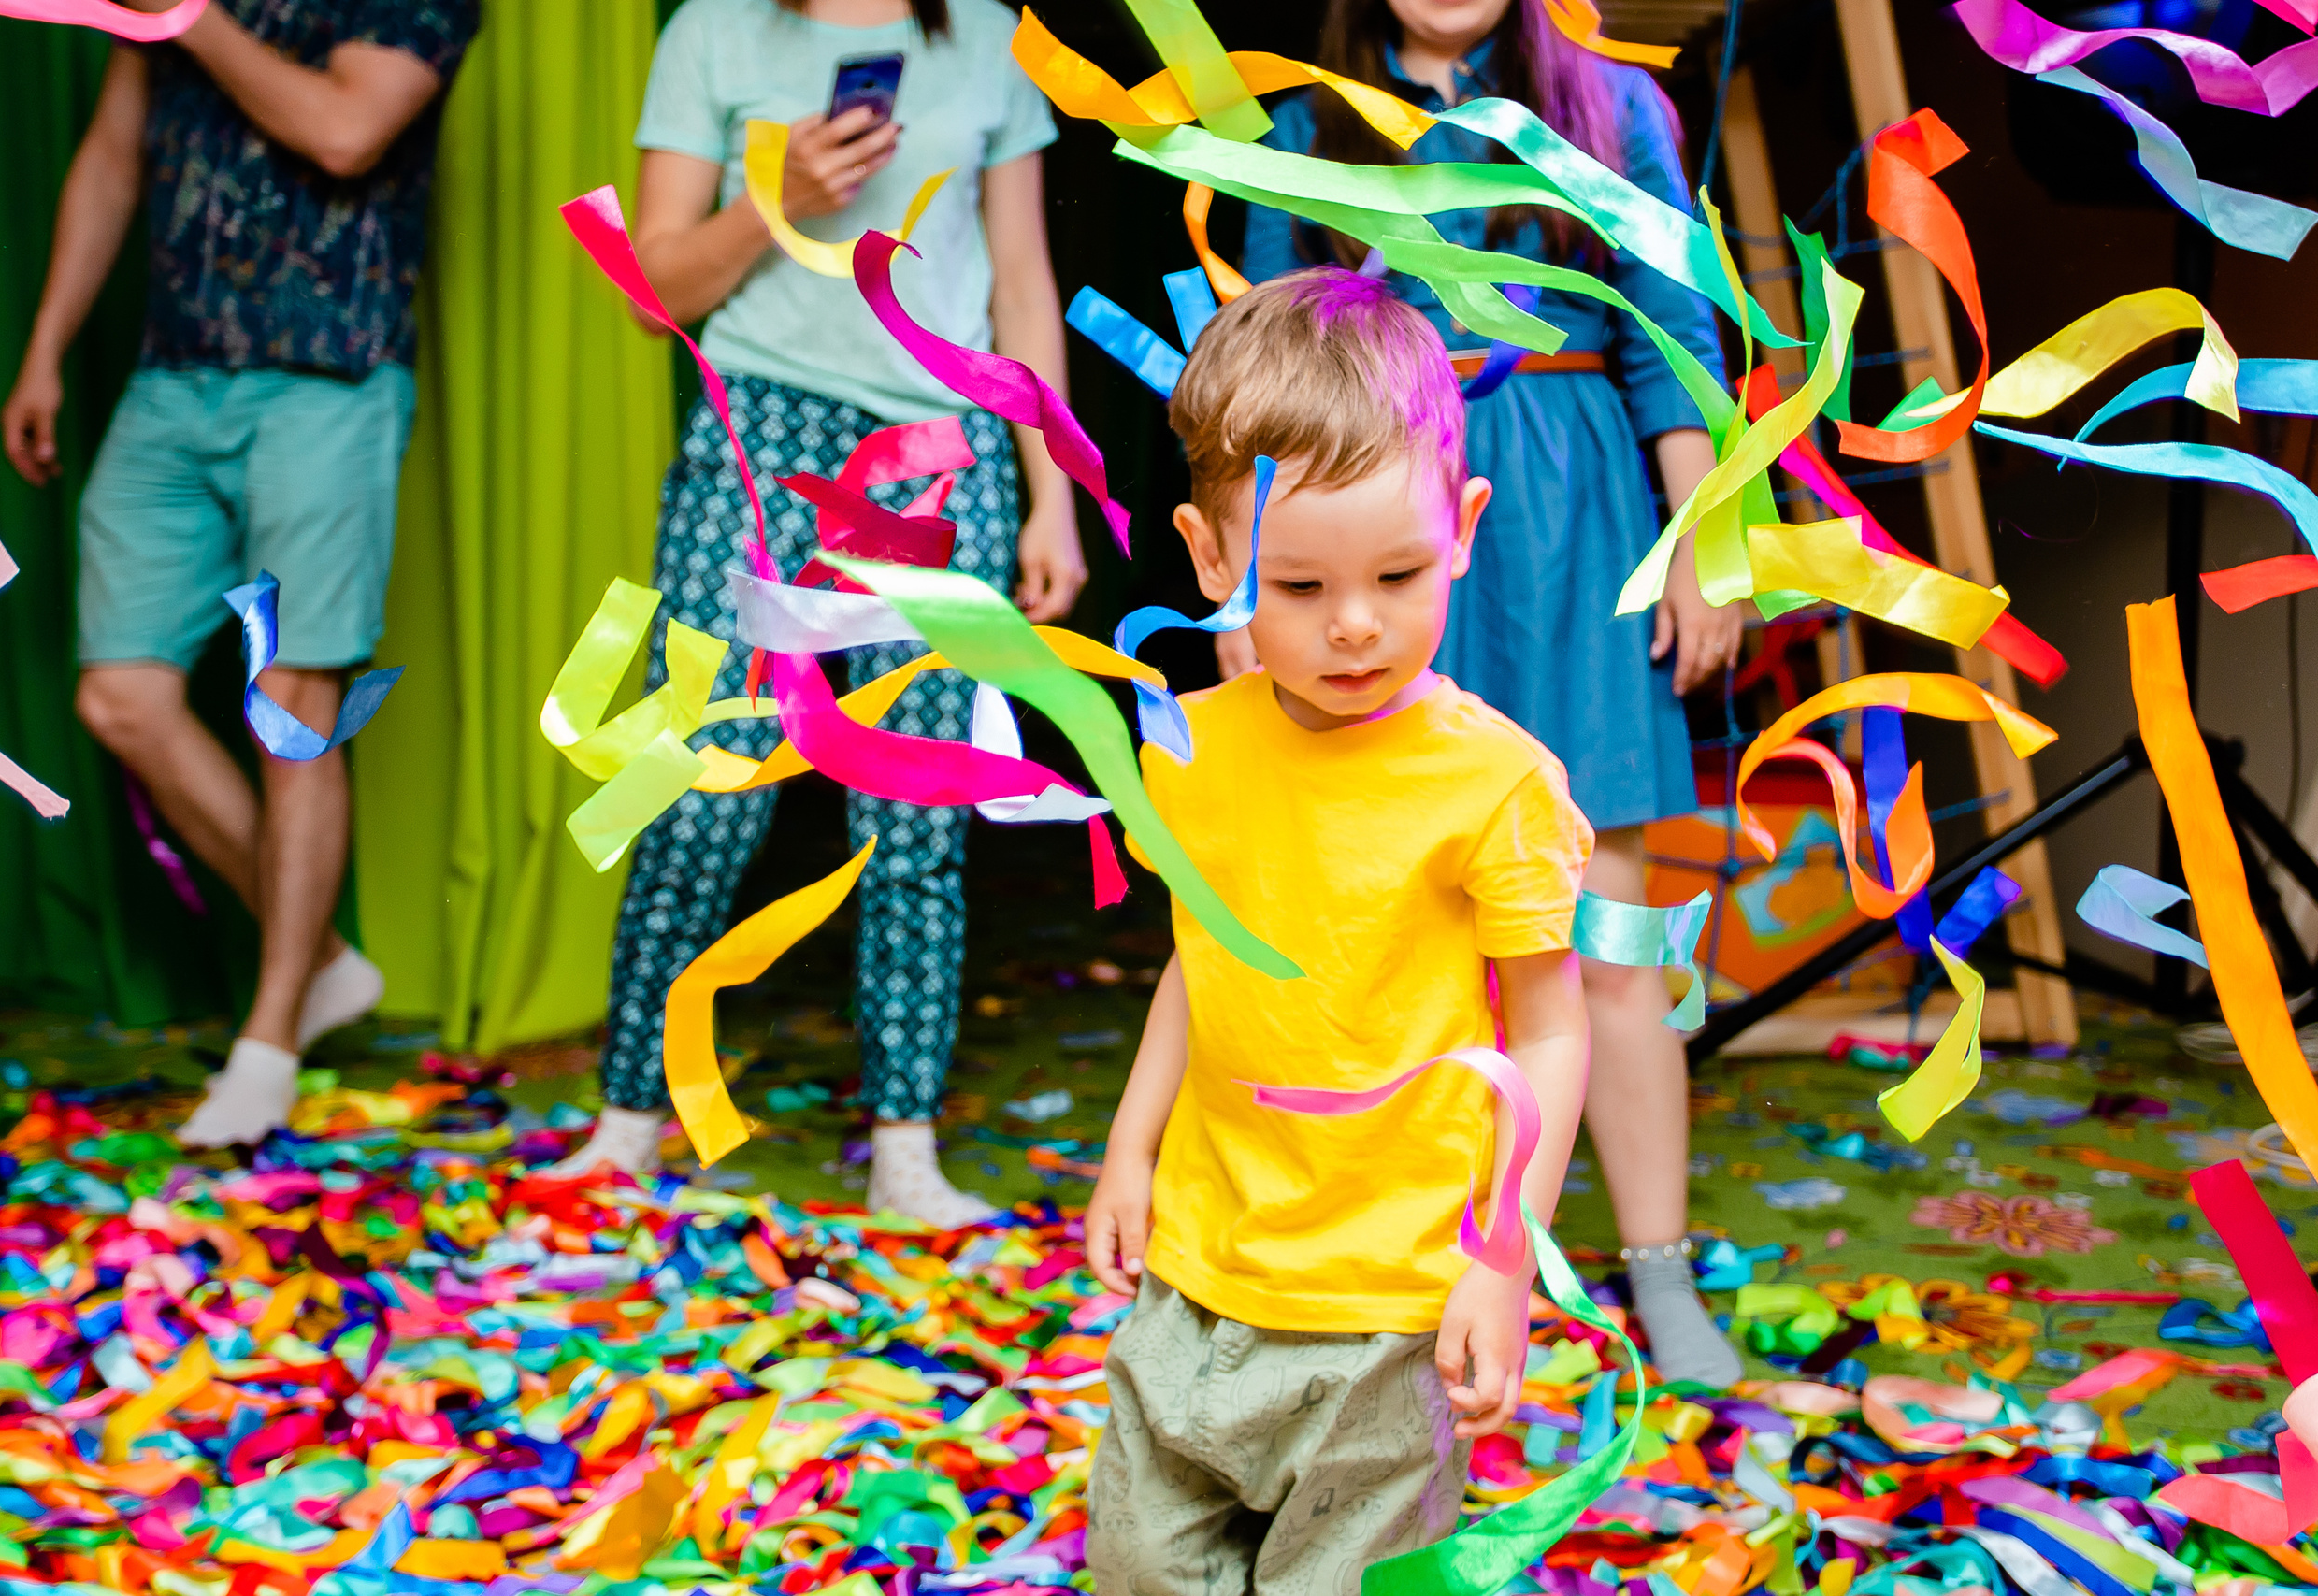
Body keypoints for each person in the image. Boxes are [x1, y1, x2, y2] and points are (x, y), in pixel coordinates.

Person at [1235, 0, 1743, 1388]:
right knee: (1400, 928)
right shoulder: (1313, 122)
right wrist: (1248, 597)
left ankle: (1658, 1263)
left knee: (1612, 929)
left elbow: (1670, 334)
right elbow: (1267, 385)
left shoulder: (1613, 108)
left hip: (1581, 526)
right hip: (1388, 553)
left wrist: (1700, 544)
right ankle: (1404, 1265)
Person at [1082, 267, 1594, 1594]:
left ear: (1464, 524)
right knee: (1141, 1563)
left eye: (1399, 571)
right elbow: (1205, 959)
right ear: (1208, 555)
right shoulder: (1190, 747)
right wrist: (1132, 1142)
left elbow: (1549, 1028)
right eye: (1297, 585)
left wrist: (1503, 1262)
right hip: (1201, 1272)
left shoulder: (1501, 783)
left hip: (1393, 1306)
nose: (1356, 622)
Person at [553, 0, 1086, 1227]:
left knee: (917, 812)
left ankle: (906, 1145)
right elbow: (650, 290)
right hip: (758, 429)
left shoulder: (993, 39)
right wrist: (773, 190)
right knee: (694, 779)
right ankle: (629, 1115)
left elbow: (1021, 286)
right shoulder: (713, 36)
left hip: (941, 455)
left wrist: (1052, 495)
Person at [0, 0, 480, 1146]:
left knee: (291, 712)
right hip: (174, 379)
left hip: (329, 380)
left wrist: (189, 20)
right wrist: (45, 351)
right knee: (121, 697)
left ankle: (267, 1045)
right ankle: (311, 958)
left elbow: (344, 132)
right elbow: (115, 160)